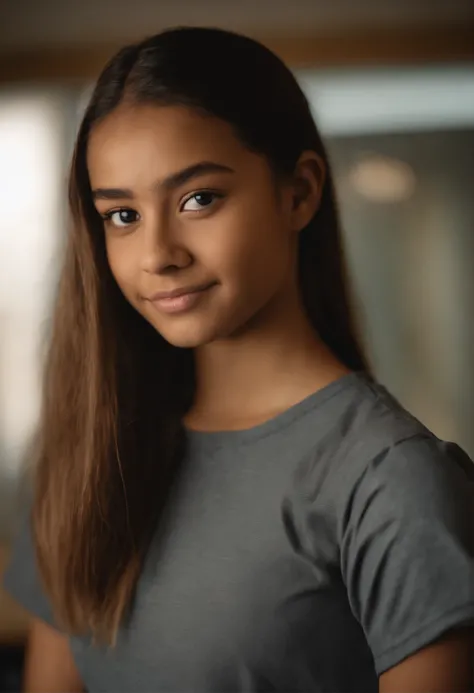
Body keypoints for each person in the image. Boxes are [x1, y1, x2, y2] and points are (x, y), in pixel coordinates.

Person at [2, 26, 474, 693]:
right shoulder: (85, 452)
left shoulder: (390, 479)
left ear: (299, 192)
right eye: (122, 215)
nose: (158, 252)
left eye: (199, 199)